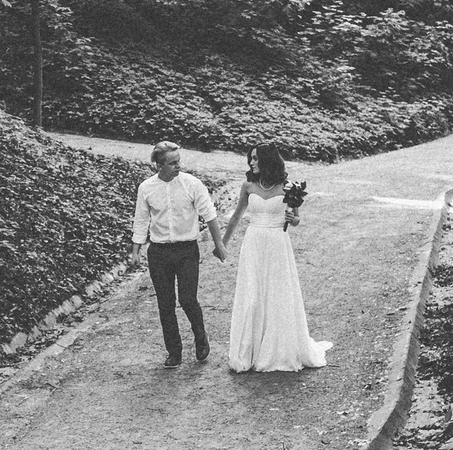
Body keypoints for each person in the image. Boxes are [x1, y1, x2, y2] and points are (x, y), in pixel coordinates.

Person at [218, 144, 329, 373]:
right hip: (254, 243)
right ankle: (249, 351)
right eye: (251, 159)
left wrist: (292, 217)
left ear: (268, 161)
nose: (252, 163)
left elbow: (296, 220)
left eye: (256, 159)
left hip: (278, 243)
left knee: (277, 295)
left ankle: (276, 351)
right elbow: (236, 216)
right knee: (252, 296)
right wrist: (222, 244)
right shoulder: (248, 186)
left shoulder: (288, 187)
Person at [131, 142, 224, 367]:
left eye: (178, 161)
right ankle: (174, 351)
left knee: (187, 298)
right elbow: (141, 219)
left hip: (186, 250)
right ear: (159, 165)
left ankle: (201, 337)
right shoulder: (147, 188)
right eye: (172, 163)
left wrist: (219, 244)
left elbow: (209, 215)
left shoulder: (192, 184)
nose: (178, 166)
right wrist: (136, 250)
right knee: (165, 303)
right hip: (159, 253)